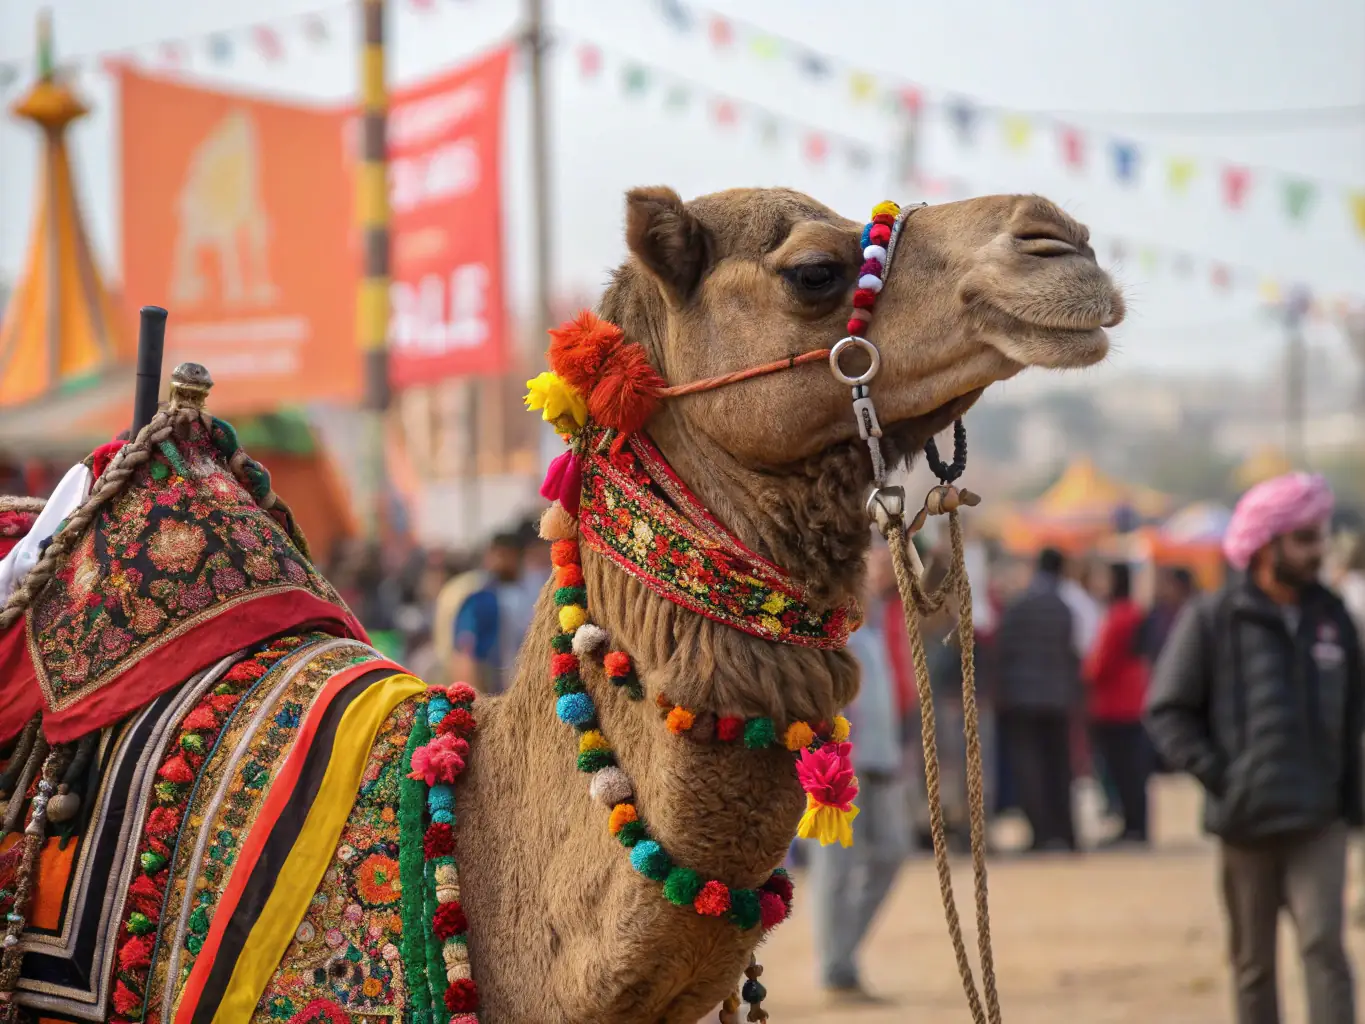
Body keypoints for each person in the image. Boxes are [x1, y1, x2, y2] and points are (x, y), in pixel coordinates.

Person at [1146, 472, 1363, 1024]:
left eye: (1320, 537)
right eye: (1307, 538)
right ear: (1268, 545)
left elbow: (1356, 715)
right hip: (1246, 824)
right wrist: (1221, 775)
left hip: (1319, 819)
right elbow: (1167, 710)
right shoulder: (1213, 619)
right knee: (1253, 967)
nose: (1320, 550)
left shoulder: (1333, 619)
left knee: (1324, 950)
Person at [809, 542, 910, 1005]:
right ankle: (837, 969)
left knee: (891, 852)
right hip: (836, 764)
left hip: (880, 759)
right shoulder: (831, 629)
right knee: (836, 869)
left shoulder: (877, 626)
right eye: (883, 562)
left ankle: (843, 954)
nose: (890, 569)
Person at [995, 547, 1080, 852]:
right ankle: (1067, 833)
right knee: (1060, 767)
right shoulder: (1064, 608)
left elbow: (1002, 653)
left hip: (1022, 701)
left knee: (1029, 768)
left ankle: (1041, 833)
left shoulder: (1017, 606)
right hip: (1058, 699)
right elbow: (1072, 655)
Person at [1083, 562, 1150, 845]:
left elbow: (1101, 662)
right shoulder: (1134, 613)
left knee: (1123, 770)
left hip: (1115, 704)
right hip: (1133, 700)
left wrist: (1085, 672)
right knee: (1133, 770)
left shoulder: (1118, 616)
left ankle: (1133, 826)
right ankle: (1136, 824)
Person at [451, 531, 536, 696]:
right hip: (493, 690)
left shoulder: (532, 596)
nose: (500, 561)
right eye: (497, 555)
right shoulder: (480, 601)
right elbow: (464, 654)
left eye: (506, 555)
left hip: (525, 689)